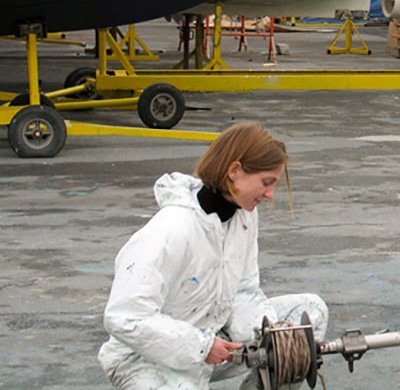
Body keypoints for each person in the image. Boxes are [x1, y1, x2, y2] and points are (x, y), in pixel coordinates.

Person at [98, 122, 328, 389]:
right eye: (266, 183)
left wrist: (275, 338)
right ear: (234, 171)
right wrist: (202, 346)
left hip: (213, 338)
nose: (269, 194)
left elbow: (244, 292)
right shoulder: (171, 229)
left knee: (309, 314)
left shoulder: (244, 217)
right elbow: (125, 318)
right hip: (145, 358)